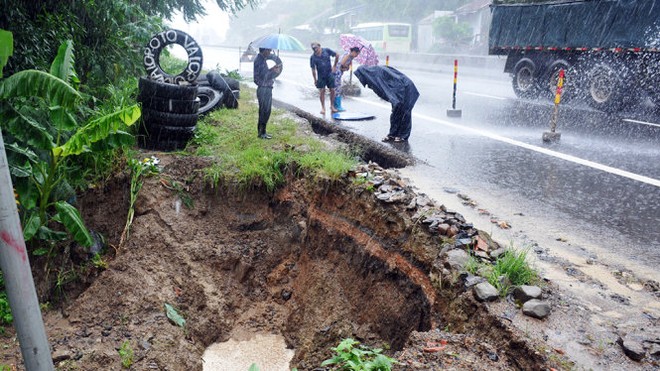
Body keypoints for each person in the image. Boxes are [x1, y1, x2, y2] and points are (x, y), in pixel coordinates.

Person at [354, 65, 419, 142]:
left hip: (407, 88)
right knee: (396, 112)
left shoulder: (377, 75)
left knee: (405, 112)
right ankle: (392, 134)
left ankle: (403, 136)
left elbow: (386, 88)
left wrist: (394, 100)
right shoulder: (373, 74)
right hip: (399, 90)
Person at [253, 48, 282, 139]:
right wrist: (273, 70)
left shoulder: (261, 60)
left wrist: (272, 70)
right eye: (268, 50)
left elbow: (264, 74)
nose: (270, 52)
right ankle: (261, 133)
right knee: (264, 111)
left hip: (265, 88)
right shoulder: (260, 61)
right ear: (264, 50)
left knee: (266, 111)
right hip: (263, 89)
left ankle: (263, 132)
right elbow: (264, 76)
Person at [309, 42, 339, 115]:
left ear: (319, 46)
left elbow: (337, 55)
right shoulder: (313, 57)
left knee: (332, 90)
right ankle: (323, 107)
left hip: (329, 73)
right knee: (322, 91)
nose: (315, 50)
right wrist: (315, 80)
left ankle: (332, 106)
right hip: (321, 75)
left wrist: (334, 66)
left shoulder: (326, 51)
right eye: (313, 49)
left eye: (316, 48)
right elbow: (313, 69)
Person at [332, 46, 361, 112]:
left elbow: (344, 67)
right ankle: (337, 106)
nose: (357, 55)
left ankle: (335, 105)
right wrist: (346, 66)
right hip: (337, 73)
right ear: (353, 52)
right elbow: (342, 64)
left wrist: (346, 67)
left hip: (338, 73)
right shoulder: (348, 55)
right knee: (337, 89)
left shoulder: (350, 57)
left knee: (336, 89)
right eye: (357, 54)